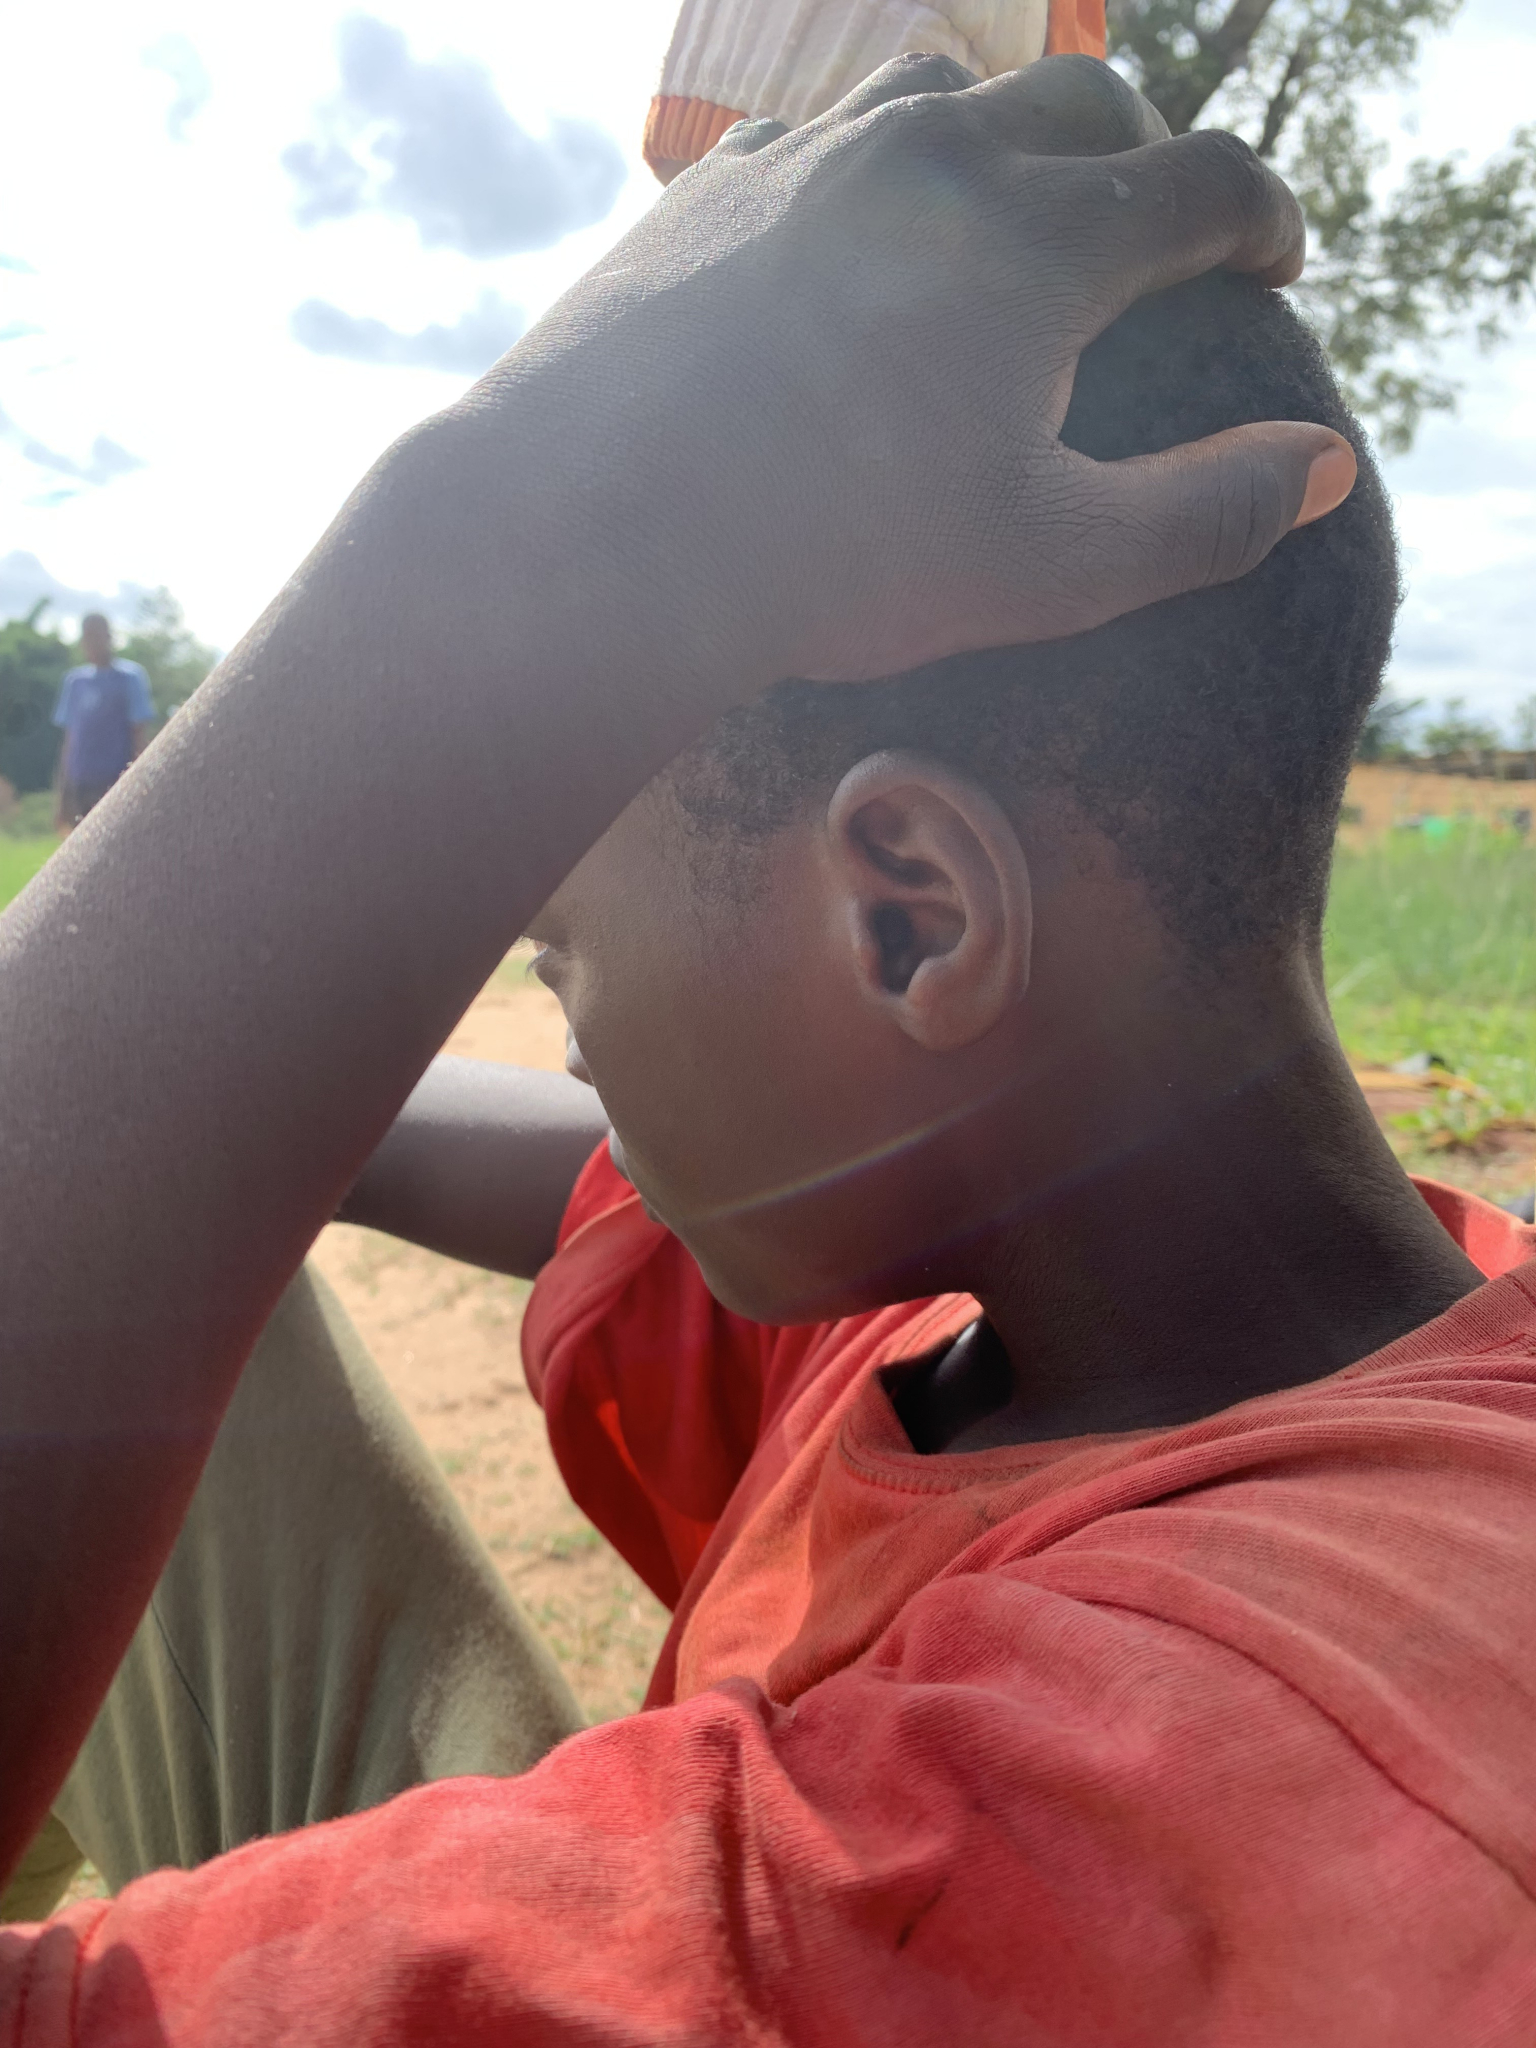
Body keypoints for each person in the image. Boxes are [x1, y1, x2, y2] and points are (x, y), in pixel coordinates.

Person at [2, 52, 1484, 2046]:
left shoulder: (1062, 1837)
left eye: (558, 958)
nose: (567, 1039)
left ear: (912, 911)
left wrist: (473, 532)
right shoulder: (1074, 1309)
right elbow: (480, 1157)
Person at [52, 614, 154, 830]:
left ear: (109, 637)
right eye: (88, 636)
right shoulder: (75, 682)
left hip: (114, 779)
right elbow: (70, 740)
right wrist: (62, 794)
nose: (92, 642)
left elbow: (139, 734)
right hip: (81, 780)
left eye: (97, 635)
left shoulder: (129, 678)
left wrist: (140, 782)